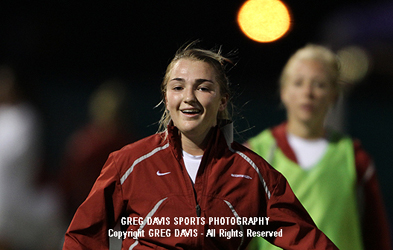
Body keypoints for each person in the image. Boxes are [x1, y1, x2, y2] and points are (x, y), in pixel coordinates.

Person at [63, 42, 338, 250]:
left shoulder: (254, 173)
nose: (189, 98)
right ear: (166, 97)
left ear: (222, 101)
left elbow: (308, 241)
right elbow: (83, 237)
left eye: (203, 88)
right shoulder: (129, 162)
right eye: (178, 87)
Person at [245, 44, 392, 250]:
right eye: (298, 83)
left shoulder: (355, 158)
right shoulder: (253, 155)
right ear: (284, 91)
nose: (308, 92)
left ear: (334, 94)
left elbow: (377, 238)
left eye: (319, 84)